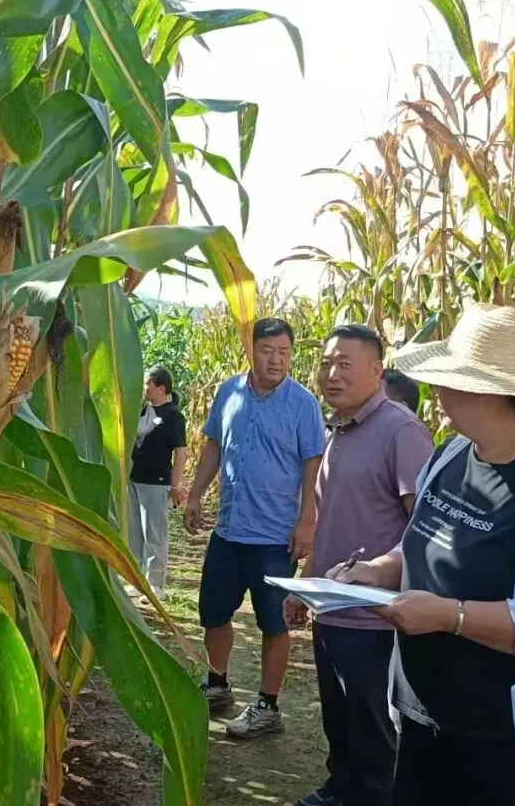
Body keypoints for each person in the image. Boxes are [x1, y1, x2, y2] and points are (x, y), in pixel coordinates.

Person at [330, 304, 515, 806]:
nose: (436, 394)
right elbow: (426, 543)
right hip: (422, 715)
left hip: (502, 736)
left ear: (482, 391)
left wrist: (450, 616)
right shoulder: (450, 455)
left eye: (446, 381)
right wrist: (377, 571)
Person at [286, 325, 433, 806]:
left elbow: (426, 530)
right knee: (339, 719)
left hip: (375, 619)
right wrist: (305, 584)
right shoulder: (339, 429)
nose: (331, 374)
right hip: (331, 609)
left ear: (377, 370)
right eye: (326, 363)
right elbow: (329, 518)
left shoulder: (400, 431)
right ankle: (340, 788)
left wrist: (382, 577)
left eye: (344, 364)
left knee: (373, 733)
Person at [185, 317, 325, 739]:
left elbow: (313, 465)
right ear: (252, 350)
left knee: (274, 622)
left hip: (275, 536)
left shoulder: (302, 404)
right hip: (229, 529)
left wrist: (307, 521)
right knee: (213, 612)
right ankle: (217, 683)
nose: (276, 360)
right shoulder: (229, 392)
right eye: (268, 350)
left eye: (284, 352)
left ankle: (268, 705)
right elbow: (214, 445)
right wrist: (195, 494)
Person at [127, 366, 187, 598]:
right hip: (134, 479)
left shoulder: (173, 416)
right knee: (135, 533)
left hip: (157, 482)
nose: (144, 388)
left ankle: (155, 583)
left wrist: (176, 485)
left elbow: (180, 452)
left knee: (154, 534)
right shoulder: (141, 410)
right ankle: (136, 580)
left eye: (147, 384)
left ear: (161, 388)